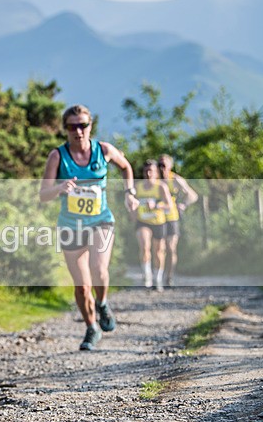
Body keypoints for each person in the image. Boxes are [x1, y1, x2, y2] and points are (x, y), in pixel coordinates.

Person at [39, 104, 139, 351]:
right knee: (82, 287)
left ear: (90, 126)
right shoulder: (58, 156)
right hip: (70, 225)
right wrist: (60, 189)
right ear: (65, 129)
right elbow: (43, 194)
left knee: (98, 268)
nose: (78, 131)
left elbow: (126, 167)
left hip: (100, 220)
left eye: (83, 125)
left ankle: (103, 303)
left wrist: (130, 193)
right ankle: (91, 327)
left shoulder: (103, 150)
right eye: (72, 126)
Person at [131, 159, 173, 291]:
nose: (149, 174)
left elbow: (169, 206)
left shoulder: (161, 187)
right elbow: (132, 204)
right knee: (144, 246)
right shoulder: (138, 187)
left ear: (156, 173)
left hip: (158, 222)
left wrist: (156, 205)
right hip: (142, 221)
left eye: (152, 171)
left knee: (159, 252)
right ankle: (147, 276)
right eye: (146, 171)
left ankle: (158, 278)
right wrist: (132, 214)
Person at [158, 154, 198, 287]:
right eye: (159, 165)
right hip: (156, 217)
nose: (161, 168)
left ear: (170, 166)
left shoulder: (175, 179)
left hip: (172, 217)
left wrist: (184, 205)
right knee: (159, 249)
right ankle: (158, 276)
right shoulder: (154, 179)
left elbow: (193, 195)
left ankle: (169, 277)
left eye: (163, 165)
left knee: (170, 248)